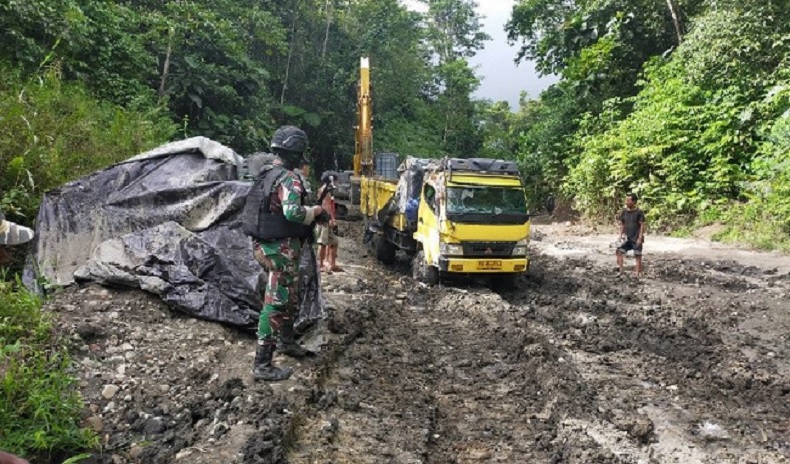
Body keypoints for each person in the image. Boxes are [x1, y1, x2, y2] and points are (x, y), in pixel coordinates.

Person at [243, 125, 327, 381]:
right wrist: (315, 211)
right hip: (279, 249)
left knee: (289, 294)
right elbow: (292, 212)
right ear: (297, 151)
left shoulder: (265, 173)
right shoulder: (288, 178)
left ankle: (287, 341)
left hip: (264, 245)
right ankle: (262, 363)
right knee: (276, 301)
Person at [316, 171, 342, 273]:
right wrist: (330, 219)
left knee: (334, 242)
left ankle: (332, 264)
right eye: (336, 180)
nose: (337, 182)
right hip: (323, 220)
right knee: (322, 243)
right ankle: (321, 265)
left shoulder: (326, 189)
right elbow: (326, 206)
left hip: (325, 219)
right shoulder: (325, 190)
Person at [616, 192, 646, 277]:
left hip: (636, 237)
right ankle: (621, 271)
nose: (626, 202)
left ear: (634, 202)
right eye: (626, 200)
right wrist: (620, 236)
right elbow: (623, 225)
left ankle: (638, 274)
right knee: (619, 251)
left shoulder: (639, 212)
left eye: (628, 201)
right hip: (627, 238)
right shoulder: (624, 212)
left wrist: (640, 238)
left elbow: (642, 225)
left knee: (637, 255)